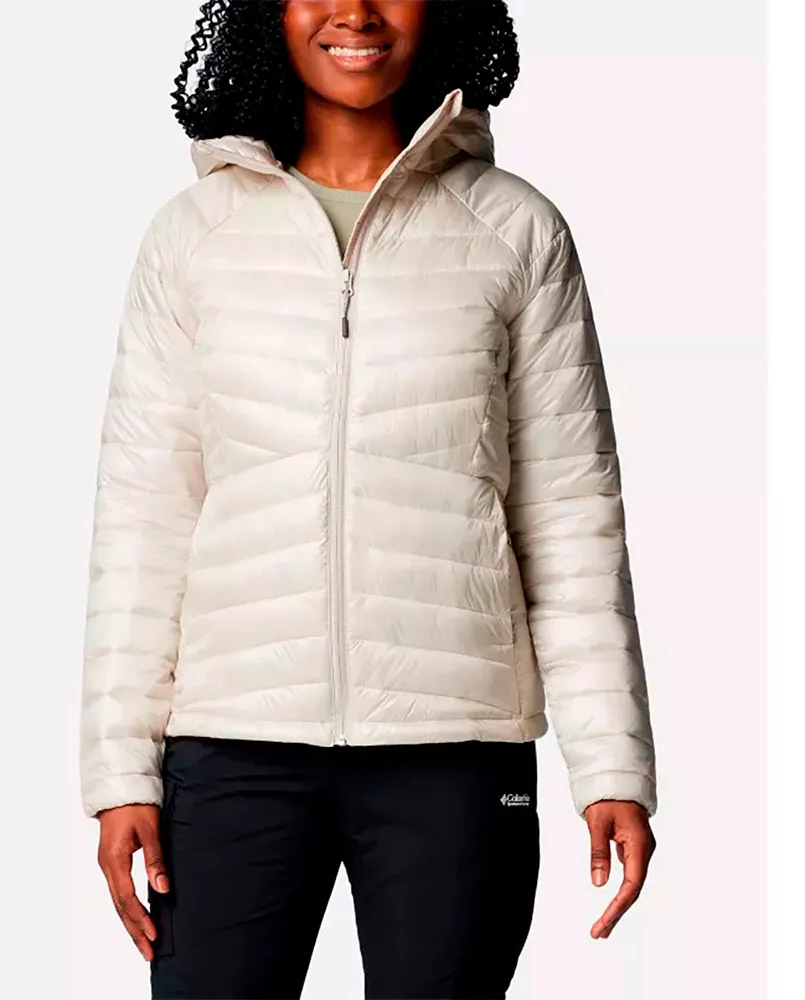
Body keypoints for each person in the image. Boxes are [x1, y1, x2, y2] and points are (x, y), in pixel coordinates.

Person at [79, 2, 658, 997]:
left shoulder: (514, 230)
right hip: (232, 749)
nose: (355, 11)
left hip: (457, 752)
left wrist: (612, 765)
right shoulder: (194, 237)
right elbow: (145, 517)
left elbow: (571, 516)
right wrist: (119, 770)